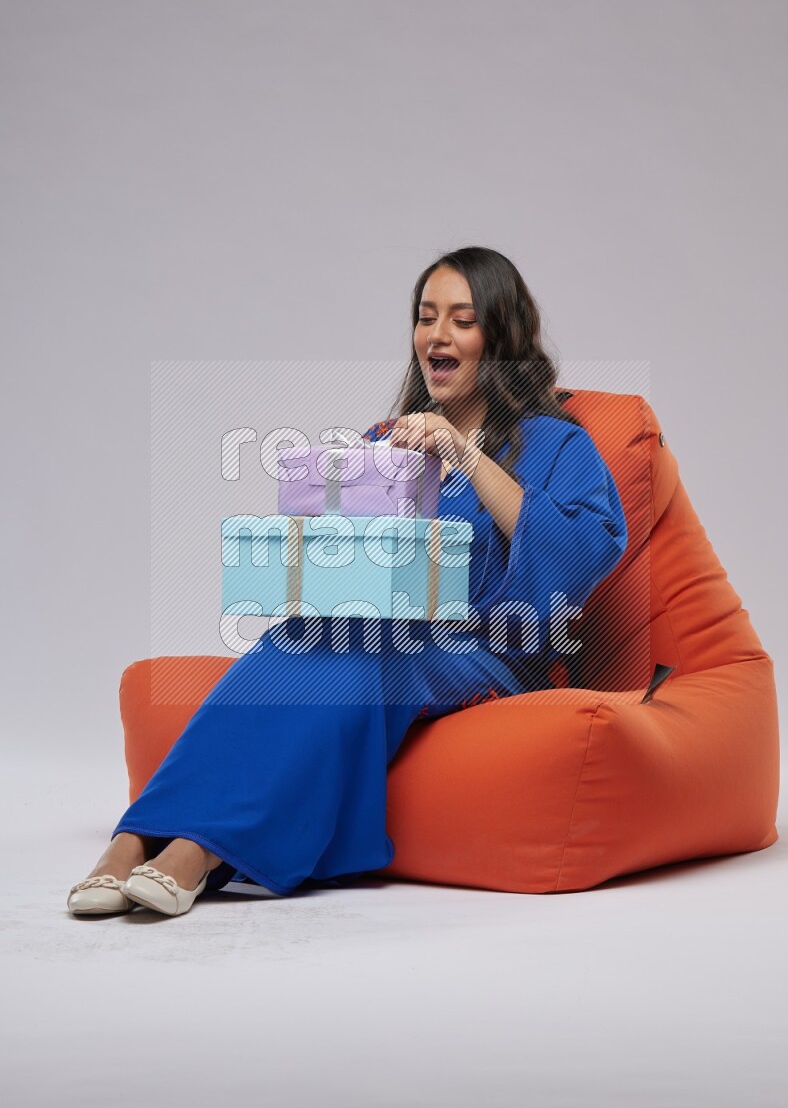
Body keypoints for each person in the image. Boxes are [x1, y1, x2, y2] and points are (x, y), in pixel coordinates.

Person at [66, 245, 628, 918]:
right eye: (426, 318)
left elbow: (580, 553)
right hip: (383, 634)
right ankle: (132, 837)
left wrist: (466, 455)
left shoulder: (558, 444)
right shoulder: (388, 439)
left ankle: (200, 850)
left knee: (368, 646)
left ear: (500, 338)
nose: (436, 336)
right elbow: (340, 564)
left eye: (461, 319)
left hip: (493, 654)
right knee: (299, 633)